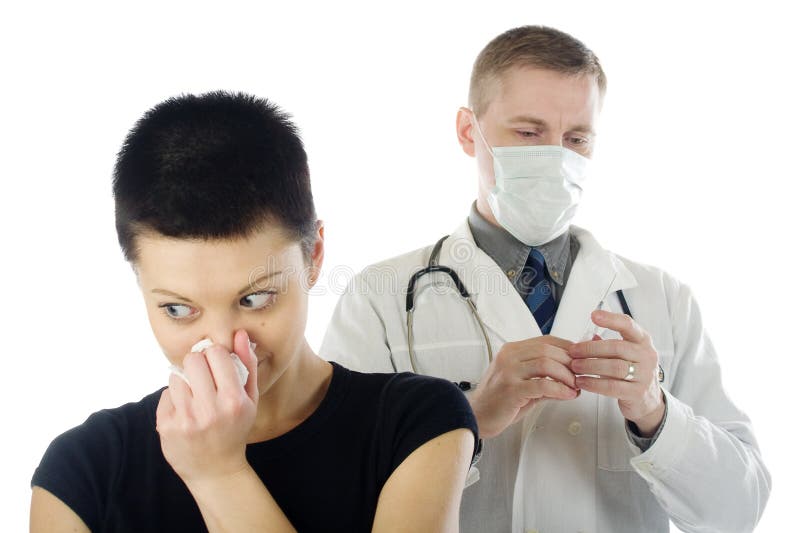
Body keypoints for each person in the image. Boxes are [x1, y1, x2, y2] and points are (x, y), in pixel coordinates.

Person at [321, 26, 771, 533]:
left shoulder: (663, 300)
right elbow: (329, 492)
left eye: (576, 138)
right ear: (470, 132)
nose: (557, 159)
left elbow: (738, 511)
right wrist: (467, 419)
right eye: (529, 133)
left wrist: (654, 412)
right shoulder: (380, 299)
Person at [29, 91, 478, 532]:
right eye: (177, 309)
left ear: (314, 256)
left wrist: (218, 475)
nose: (223, 344)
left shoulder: (418, 423)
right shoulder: (82, 471)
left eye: (254, 299)